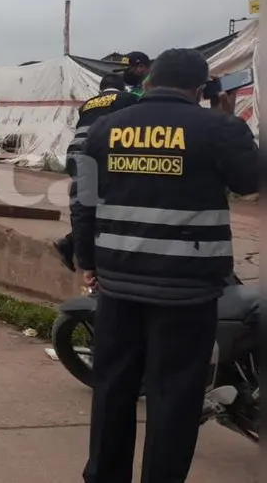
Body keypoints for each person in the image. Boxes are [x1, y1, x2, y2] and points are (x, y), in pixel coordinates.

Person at [71, 48, 258, 483]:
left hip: (118, 286)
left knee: (113, 388)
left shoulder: (104, 128)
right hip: (188, 292)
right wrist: (227, 113)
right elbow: (250, 182)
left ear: (149, 81)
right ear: (199, 88)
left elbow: (83, 202)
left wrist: (87, 261)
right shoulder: (218, 128)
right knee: (174, 397)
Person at [53, 73, 137, 271]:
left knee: (85, 202)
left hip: (75, 153)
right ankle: (76, 245)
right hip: (98, 153)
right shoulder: (127, 99)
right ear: (121, 87)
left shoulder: (88, 104)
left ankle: (72, 242)